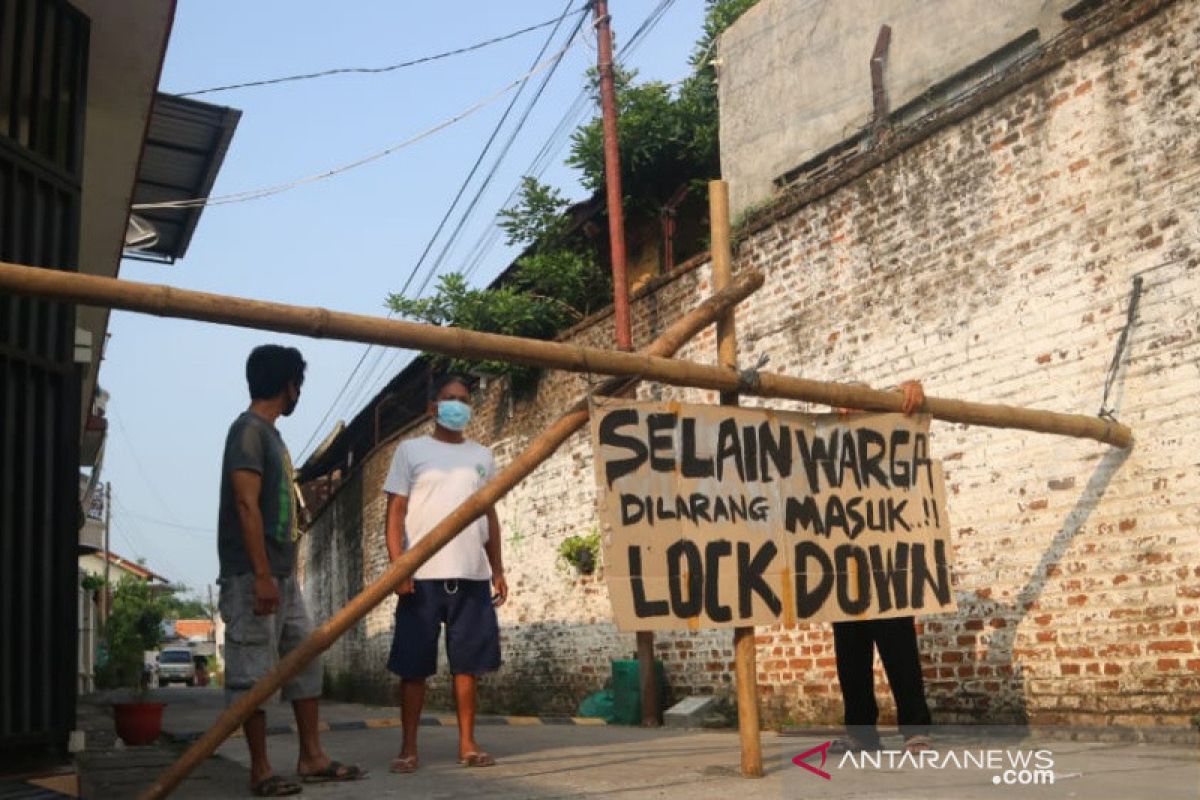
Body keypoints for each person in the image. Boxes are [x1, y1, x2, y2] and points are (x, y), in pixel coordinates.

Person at [217, 344, 364, 796]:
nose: (299, 393)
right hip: (251, 576)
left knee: (304, 658)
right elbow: (246, 504)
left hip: (280, 576)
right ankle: (260, 770)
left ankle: (312, 756)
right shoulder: (247, 432)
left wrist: (281, 575)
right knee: (252, 675)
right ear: (289, 386)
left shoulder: (272, 436)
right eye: (299, 385)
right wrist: (261, 575)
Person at [383, 374, 508, 773]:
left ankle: (468, 744)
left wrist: (497, 569)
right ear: (432, 408)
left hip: (471, 574)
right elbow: (395, 513)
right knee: (413, 667)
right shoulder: (410, 450)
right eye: (448, 399)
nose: (457, 405)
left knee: (468, 666)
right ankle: (407, 748)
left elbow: (490, 515)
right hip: (420, 577)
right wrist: (399, 564)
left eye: (463, 399)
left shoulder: (482, 456)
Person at [829, 380, 934, 755]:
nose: (844, 413)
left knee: (899, 648)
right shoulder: (828, 451)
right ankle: (861, 733)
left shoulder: (888, 442)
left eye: (851, 406)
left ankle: (915, 730)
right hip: (842, 565)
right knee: (850, 655)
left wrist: (912, 390)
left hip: (888, 562)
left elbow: (915, 422)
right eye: (839, 407)